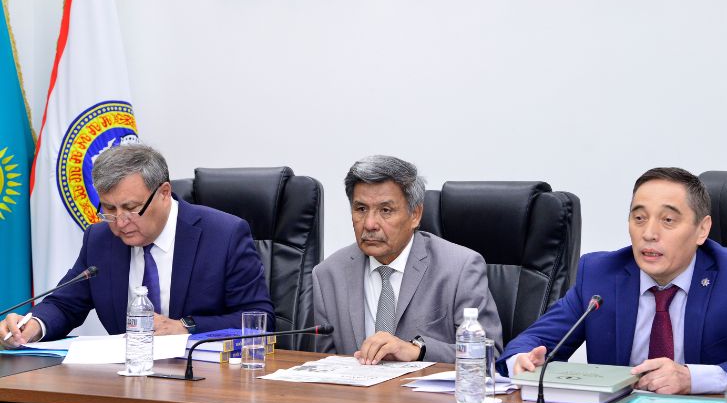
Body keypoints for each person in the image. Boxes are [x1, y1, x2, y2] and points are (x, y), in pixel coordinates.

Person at [498, 167, 727, 394]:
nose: (649, 233)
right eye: (639, 218)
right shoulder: (601, 274)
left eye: (668, 220)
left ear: (702, 230)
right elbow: (527, 344)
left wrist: (693, 378)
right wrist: (522, 361)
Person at [0, 144, 273, 346]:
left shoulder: (224, 235)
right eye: (109, 209)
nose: (120, 222)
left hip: (205, 380)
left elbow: (260, 320)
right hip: (126, 380)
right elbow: (64, 304)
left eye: (131, 208)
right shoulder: (100, 239)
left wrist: (185, 327)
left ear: (164, 193)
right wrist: (32, 325)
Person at [313, 155, 503, 364]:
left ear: (415, 215)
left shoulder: (460, 268)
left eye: (385, 210)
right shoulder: (328, 275)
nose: (369, 224)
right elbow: (322, 364)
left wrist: (418, 350)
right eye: (361, 209)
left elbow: (489, 355)